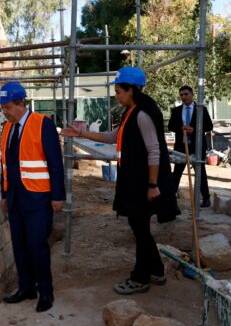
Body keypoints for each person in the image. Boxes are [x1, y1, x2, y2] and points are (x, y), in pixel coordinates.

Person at [60, 67, 180, 295]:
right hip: (134, 182)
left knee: (140, 229)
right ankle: (157, 270)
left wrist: (153, 185)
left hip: (144, 184)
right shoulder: (130, 112)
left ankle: (140, 278)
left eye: (119, 91)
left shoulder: (143, 114)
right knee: (139, 228)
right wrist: (81, 134)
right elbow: (112, 137)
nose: (116, 95)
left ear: (132, 90)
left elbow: (154, 151)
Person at [0, 82, 64, 312]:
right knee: (20, 246)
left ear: (20, 103)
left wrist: (57, 196)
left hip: (38, 198)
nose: (4, 111)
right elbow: (5, 166)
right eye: (2, 108)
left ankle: (46, 292)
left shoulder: (42, 124)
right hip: (15, 198)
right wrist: (4, 193)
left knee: (37, 245)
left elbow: (56, 163)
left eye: (7, 107)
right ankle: (26, 287)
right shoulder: (7, 128)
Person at [168, 85, 214, 207]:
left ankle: (206, 198)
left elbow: (209, 126)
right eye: (181, 95)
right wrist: (181, 128)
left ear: (192, 95)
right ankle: (170, 198)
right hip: (181, 145)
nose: (183, 97)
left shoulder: (201, 109)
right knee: (177, 172)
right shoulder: (176, 110)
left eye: (186, 94)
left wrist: (195, 129)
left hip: (197, 145)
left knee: (200, 171)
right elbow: (170, 126)